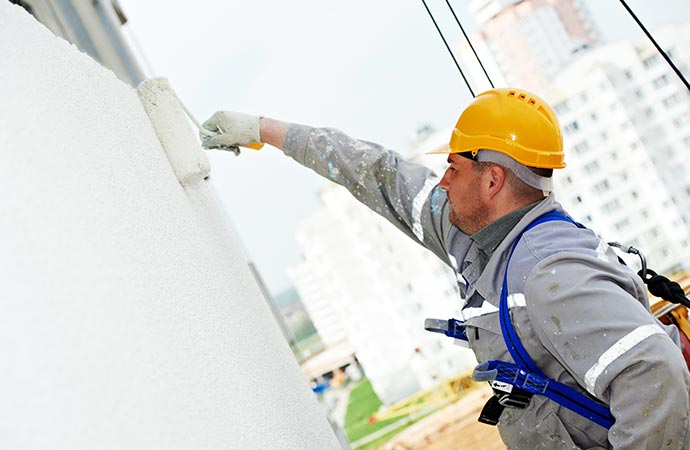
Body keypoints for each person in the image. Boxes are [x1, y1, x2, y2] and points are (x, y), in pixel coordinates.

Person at [201, 88, 690, 449]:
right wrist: (263, 130)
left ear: (493, 179)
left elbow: (655, 376)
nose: (442, 181)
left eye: (453, 167)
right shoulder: (474, 236)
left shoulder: (548, 269)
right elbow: (380, 174)